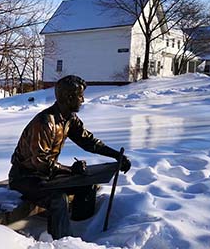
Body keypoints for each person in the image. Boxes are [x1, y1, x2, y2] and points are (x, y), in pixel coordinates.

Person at [8, 75, 131, 240]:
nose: (83, 99)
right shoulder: (45, 122)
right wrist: (70, 169)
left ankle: (83, 230)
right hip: (25, 176)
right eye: (80, 96)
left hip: (46, 174)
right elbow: (40, 162)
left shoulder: (69, 119)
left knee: (87, 186)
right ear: (69, 97)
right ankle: (61, 241)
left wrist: (117, 156)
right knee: (58, 199)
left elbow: (88, 141)